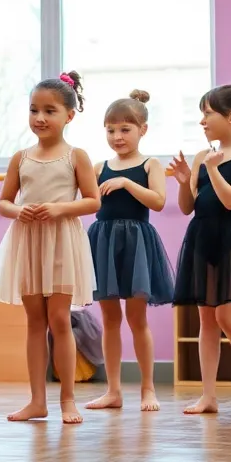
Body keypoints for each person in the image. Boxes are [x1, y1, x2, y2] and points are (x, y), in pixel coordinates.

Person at [0, 72, 98, 424]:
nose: (39, 118)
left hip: (62, 240)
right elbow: (4, 202)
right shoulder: (21, 157)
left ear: (69, 115)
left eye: (49, 111)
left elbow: (93, 201)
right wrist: (20, 211)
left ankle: (68, 399)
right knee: (35, 322)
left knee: (60, 319)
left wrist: (59, 209)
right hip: (29, 240)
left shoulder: (76, 156)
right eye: (34, 110)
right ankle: (37, 400)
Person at [169, 82, 231, 416]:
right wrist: (185, 181)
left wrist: (212, 168)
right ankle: (208, 395)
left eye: (207, 113)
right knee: (206, 320)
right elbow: (187, 207)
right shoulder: (201, 156)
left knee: (227, 316)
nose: (202, 121)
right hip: (201, 237)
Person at [85, 91, 174, 413]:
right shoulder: (98, 166)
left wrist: (125, 183)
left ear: (142, 130)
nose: (117, 136)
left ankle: (148, 389)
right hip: (103, 241)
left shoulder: (151, 164)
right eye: (110, 130)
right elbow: (90, 202)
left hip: (137, 242)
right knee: (109, 319)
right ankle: (112, 390)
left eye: (125, 129)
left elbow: (159, 201)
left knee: (137, 319)